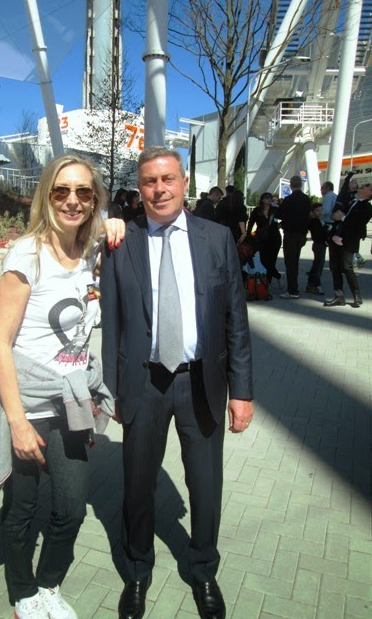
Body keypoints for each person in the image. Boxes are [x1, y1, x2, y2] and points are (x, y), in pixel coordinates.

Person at [100, 146, 254, 619]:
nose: (159, 189)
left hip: (201, 382)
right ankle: (138, 570)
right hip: (142, 384)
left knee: (205, 485)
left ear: (185, 183)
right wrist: (112, 390)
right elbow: (111, 322)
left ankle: (204, 569)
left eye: (168, 179)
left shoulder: (216, 238)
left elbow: (235, 319)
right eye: (149, 181)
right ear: (140, 188)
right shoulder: (121, 240)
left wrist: (242, 390)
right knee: (138, 484)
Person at [0, 154, 122, 619]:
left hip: (73, 401)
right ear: (46, 195)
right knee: (22, 509)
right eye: (61, 191)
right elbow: (0, 343)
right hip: (28, 402)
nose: (72, 200)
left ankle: (48, 586)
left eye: (83, 192)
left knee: (71, 507)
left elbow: (111, 230)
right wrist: (17, 422)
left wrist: (114, 222)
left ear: (94, 199)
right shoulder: (26, 254)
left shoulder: (89, 250)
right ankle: (23, 593)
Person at [324, 184, 372, 308]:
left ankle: (357, 295)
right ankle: (339, 296)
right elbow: (340, 207)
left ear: (369, 193)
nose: (362, 186)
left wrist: (343, 217)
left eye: (366, 186)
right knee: (335, 267)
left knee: (347, 267)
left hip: (350, 240)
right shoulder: (352, 201)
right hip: (336, 238)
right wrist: (337, 216)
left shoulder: (367, 207)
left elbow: (359, 224)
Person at [274, 175, 311, 299]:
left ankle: (292, 290)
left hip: (290, 233)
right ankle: (293, 288)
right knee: (295, 261)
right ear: (301, 184)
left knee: (290, 262)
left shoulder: (289, 199)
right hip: (302, 234)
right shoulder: (306, 199)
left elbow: (278, 214)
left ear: (291, 185)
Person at [246, 192, 282, 282]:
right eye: (267, 197)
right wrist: (248, 235)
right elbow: (251, 223)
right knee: (264, 260)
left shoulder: (275, 210)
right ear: (262, 199)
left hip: (274, 237)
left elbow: (286, 217)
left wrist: (280, 225)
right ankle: (276, 275)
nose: (269, 199)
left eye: (270, 197)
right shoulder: (257, 210)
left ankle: (268, 282)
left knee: (272, 260)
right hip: (261, 238)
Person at [306, 202, 327, 295]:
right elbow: (319, 235)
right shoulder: (315, 221)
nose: (320, 212)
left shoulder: (318, 220)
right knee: (318, 266)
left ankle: (311, 284)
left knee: (317, 265)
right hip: (319, 245)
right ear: (313, 211)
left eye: (321, 210)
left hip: (319, 245)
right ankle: (316, 285)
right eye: (318, 210)